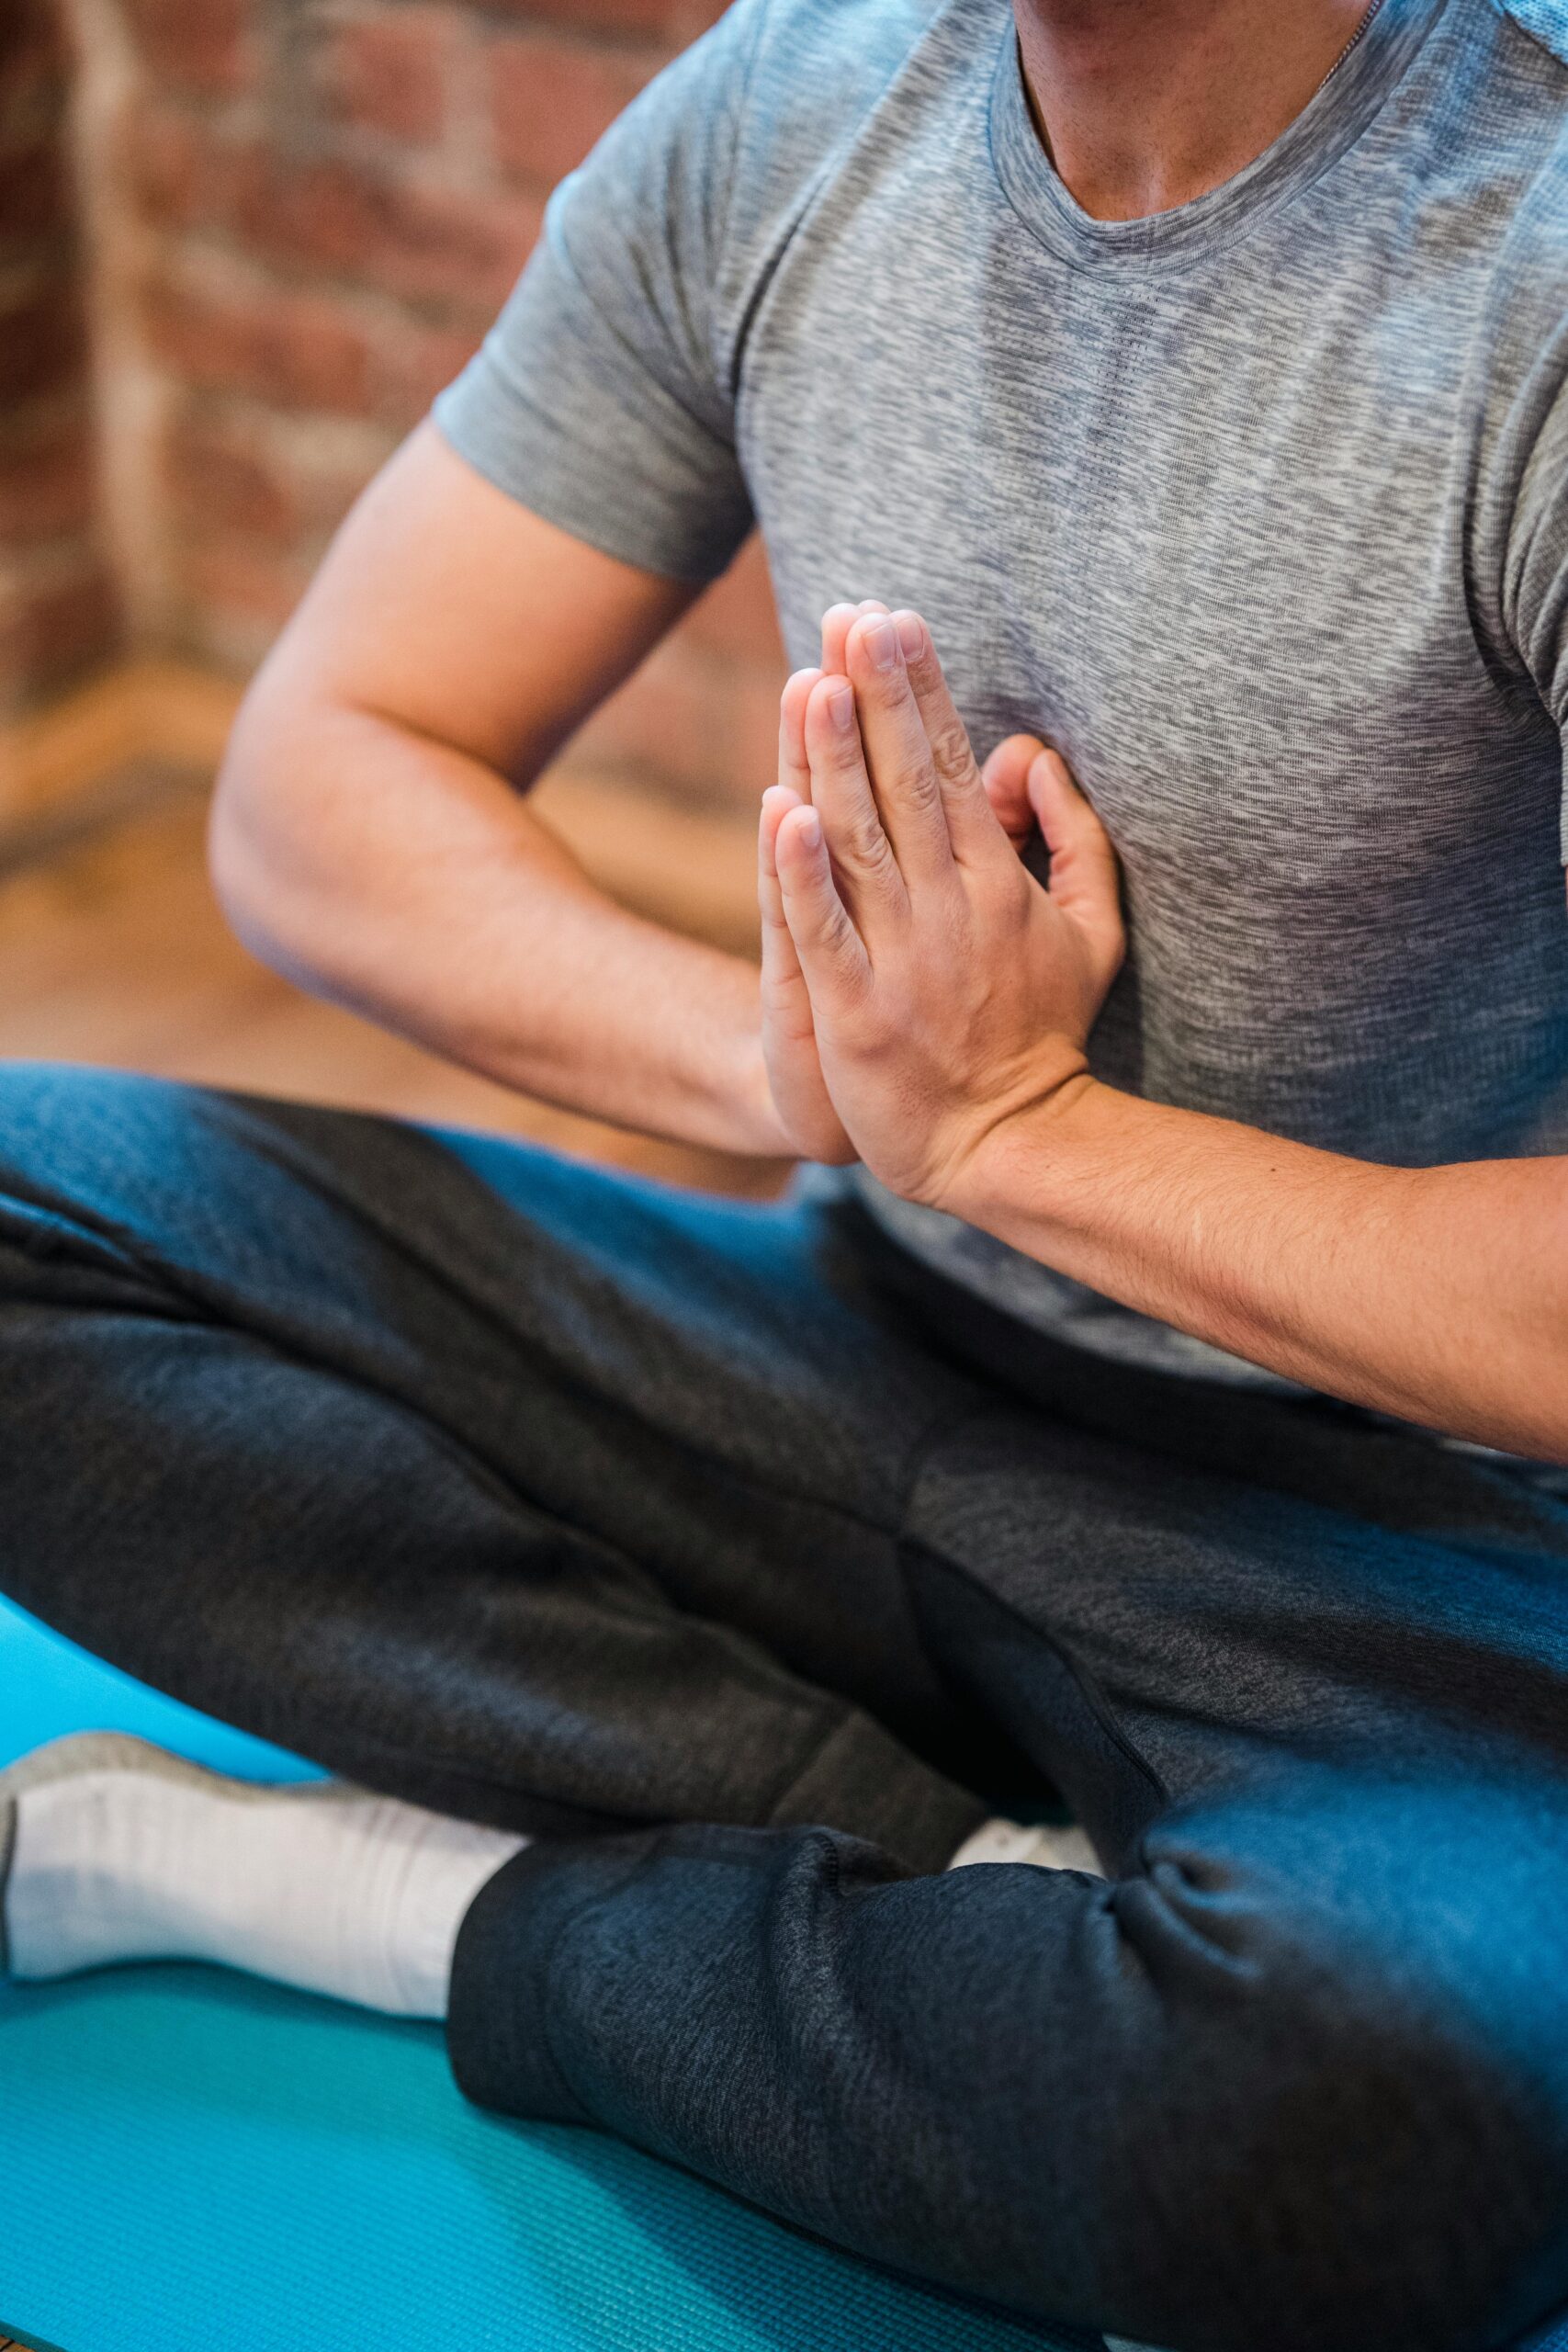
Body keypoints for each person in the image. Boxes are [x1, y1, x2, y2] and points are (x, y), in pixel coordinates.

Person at [4, 0, 1568, 2342]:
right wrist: (786, 1075)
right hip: (841, 1341)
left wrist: (1027, 1134)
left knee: (1392, 2127)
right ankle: (955, 1884)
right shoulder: (795, 109)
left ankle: (417, 1899)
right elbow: (321, 779)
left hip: (1386, 1522)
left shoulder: (1529, 248)